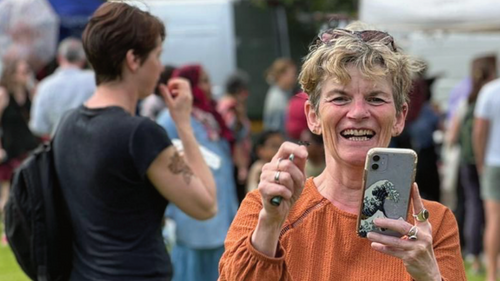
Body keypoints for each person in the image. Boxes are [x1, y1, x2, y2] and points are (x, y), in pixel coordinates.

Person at [219, 22, 466, 280]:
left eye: (375, 98)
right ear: (313, 116)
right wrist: (270, 226)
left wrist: (430, 276)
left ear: (399, 117)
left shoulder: (433, 225)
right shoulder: (264, 209)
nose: (358, 113)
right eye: (340, 98)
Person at [52, 3, 217, 280]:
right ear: (133, 59)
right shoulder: (140, 134)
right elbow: (206, 205)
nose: (160, 67)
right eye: (157, 55)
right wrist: (184, 124)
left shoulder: (68, 124)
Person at [157, 64, 238, 281]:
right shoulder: (170, 119)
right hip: (191, 213)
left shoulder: (209, 115)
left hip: (220, 209)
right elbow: (165, 165)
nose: (209, 86)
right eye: (203, 81)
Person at [448, 55, 496, 274]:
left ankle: (479, 261)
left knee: (475, 209)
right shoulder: (489, 92)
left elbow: (470, 132)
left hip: (478, 162)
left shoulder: (469, 97)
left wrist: (479, 161)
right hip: (486, 162)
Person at [29, 37, 96, 138]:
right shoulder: (94, 80)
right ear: (83, 60)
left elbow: (39, 127)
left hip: (59, 146)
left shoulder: (45, 86)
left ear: (59, 58)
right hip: (91, 142)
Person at [0, 59, 39, 218]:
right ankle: (6, 227)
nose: (27, 75)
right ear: (13, 75)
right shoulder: (3, 94)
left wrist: (35, 90)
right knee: (7, 192)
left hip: (29, 146)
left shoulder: (31, 93)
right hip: (10, 147)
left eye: (29, 71)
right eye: (24, 72)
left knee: (30, 190)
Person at [473, 61, 500, 281]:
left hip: (493, 162)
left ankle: (492, 273)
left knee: (493, 220)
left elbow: (479, 131)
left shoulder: (490, 91)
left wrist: (480, 162)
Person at [217, 70, 252, 202]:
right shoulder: (231, 108)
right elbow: (235, 137)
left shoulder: (222, 104)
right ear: (239, 90)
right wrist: (242, 166)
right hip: (235, 162)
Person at [262, 58, 297, 133]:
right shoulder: (277, 97)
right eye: (292, 73)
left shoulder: (285, 93)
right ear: (282, 75)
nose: (294, 77)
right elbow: (275, 129)